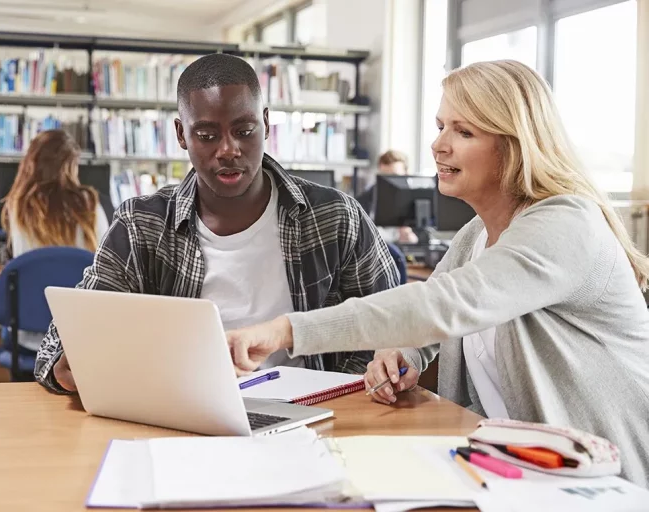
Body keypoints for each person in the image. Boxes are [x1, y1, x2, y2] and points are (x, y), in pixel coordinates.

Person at [226, 60, 649, 486]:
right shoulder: (476, 235)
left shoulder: (566, 223)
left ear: (516, 145)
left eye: (464, 132)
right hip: (514, 471)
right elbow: (428, 324)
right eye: (441, 125)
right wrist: (402, 355)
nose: (438, 145)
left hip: (603, 483)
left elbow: (443, 305)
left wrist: (287, 331)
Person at [34, 53, 400, 394]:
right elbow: (56, 346)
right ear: (181, 135)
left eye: (244, 131)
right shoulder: (141, 224)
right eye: (207, 136)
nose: (228, 150)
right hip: (181, 411)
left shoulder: (336, 217)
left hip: (315, 413)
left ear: (267, 124)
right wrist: (71, 364)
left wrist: (338, 390)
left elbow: (394, 323)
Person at [1, 129, 109, 352]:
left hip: (29, 338)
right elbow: (107, 267)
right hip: (80, 336)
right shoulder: (90, 205)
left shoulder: (18, 206)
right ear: (71, 165)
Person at [356, 150, 419, 245]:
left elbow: (426, 234)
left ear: (406, 174)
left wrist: (412, 236)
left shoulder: (417, 199)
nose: (389, 183)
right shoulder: (364, 200)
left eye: (394, 176)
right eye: (384, 177)